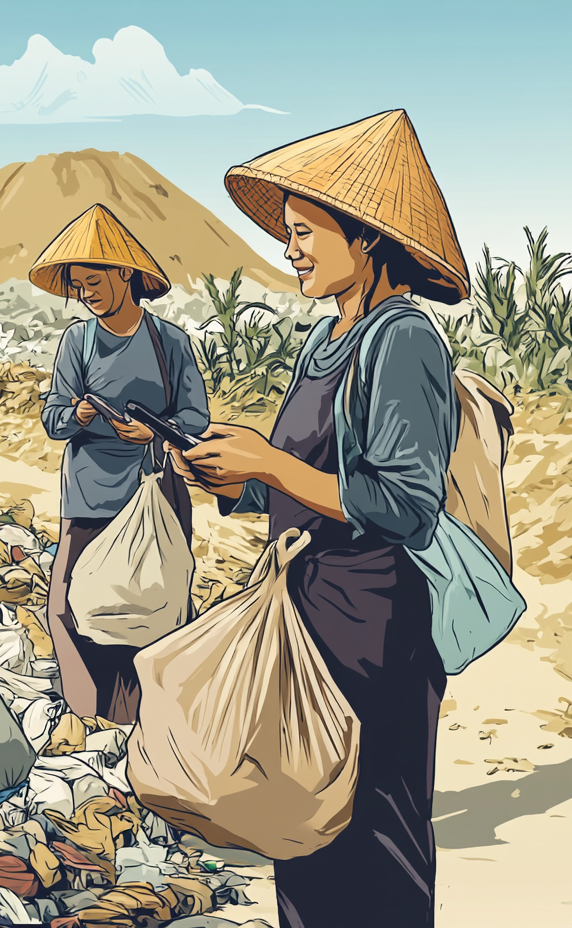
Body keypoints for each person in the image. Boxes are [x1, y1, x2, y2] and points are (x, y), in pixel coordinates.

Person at [169, 110, 468, 928]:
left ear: (366, 239)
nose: (290, 249)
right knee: (303, 832)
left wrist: (270, 463)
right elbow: (309, 483)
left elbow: (406, 504)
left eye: (306, 232)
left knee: (374, 837)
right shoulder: (326, 339)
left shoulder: (401, 341)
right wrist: (230, 477)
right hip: (308, 617)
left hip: (374, 627)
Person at [31, 203, 209, 723]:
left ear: (125, 275)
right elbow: (53, 419)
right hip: (87, 497)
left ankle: (148, 723)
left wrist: (152, 430)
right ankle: (88, 720)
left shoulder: (170, 342)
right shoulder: (77, 342)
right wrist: (81, 412)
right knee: (66, 610)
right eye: (78, 285)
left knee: (152, 612)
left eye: (94, 281)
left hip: (152, 494)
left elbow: (195, 417)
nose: (85, 294)